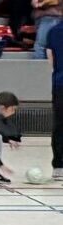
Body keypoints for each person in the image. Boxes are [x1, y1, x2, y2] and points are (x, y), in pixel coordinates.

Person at [46, 21, 63, 181]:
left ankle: (58, 166)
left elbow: (50, 59)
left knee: (59, 125)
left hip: (59, 84)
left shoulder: (53, 30)